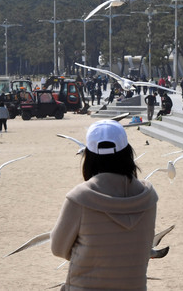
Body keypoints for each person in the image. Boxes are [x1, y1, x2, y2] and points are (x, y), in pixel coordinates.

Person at [51, 120, 158, 290]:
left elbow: (58, 248)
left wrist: (92, 254)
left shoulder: (80, 198)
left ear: (89, 156)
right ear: (127, 152)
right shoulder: (148, 197)